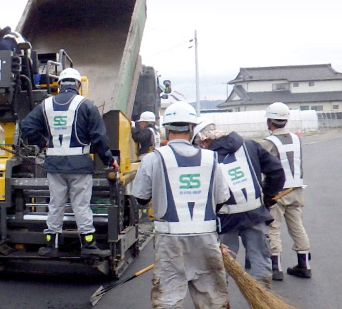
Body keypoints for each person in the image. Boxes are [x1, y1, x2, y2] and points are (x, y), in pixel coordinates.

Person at [131, 102, 230, 308]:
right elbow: (222, 199)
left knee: (167, 298)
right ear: (192, 129)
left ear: (166, 129)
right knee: (213, 298)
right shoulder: (211, 158)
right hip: (206, 238)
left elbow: (140, 198)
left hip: (170, 240)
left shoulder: (153, 158)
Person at [20, 67, 118, 258]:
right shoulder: (86, 105)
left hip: (54, 165)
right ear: (78, 85)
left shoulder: (45, 105)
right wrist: (109, 160)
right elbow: (98, 138)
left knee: (56, 204)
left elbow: (26, 126)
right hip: (79, 165)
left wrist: (43, 142)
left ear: (59, 85)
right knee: (81, 205)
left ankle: (51, 246)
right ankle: (88, 246)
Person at [193, 123, 285, 288]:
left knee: (224, 260)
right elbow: (276, 170)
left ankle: (219, 299)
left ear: (204, 140)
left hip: (226, 218)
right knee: (260, 258)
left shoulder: (206, 159)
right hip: (255, 212)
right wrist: (269, 194)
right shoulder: (250, 146)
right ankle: (262, 295)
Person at [260, 102, 312, 280]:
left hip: (278, 191)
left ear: (269, 122)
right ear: (286, 121)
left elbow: (262, 169)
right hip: (296, 188)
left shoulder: (268, 143)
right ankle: (304, 265)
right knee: (297, 226)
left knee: (274, 228)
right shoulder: (297, 139)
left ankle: (276, 268)